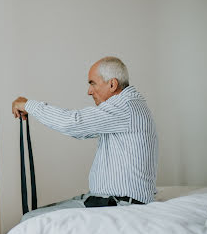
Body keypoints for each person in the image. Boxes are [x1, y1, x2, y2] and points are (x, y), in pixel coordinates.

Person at [12, 56, 158, 221]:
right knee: (32, 217)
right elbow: (80, 131)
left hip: (118, 205)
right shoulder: (128, 106)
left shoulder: (125, 107)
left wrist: (28, 105)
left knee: (30, 220)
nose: (89, 91)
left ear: (112, 84)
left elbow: (73, 123)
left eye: (92, 83)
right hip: (108, 201)